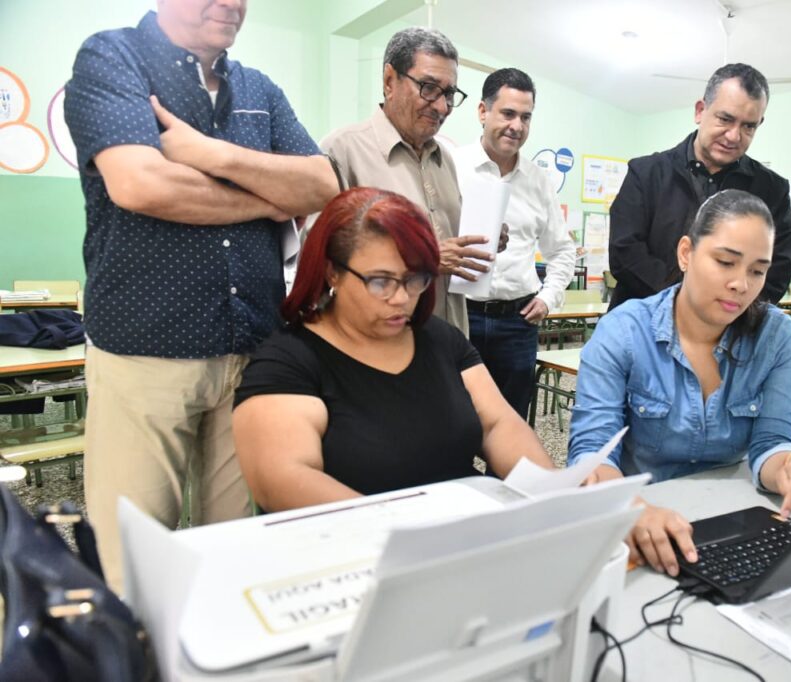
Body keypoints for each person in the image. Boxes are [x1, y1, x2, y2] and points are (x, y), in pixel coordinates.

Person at [63, 0, 338, 590]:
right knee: (130, 561)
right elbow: (140, 183)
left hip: (250, 354)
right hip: (145, 349)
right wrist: (270, 195)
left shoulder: (259, 90)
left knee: (233, 556)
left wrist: (209, 155)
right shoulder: (114, 58)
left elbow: (322, 183)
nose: (231, 3)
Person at [568, 189, 791, 577]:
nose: (740, 285)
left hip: (728, 518)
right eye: (725, 262)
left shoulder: (778, 338)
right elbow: (591, 454)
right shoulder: (625, 331)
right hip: (640, 521)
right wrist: (631, 509)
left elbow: (772, 443)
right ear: (686, 253)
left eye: (757, 270)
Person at [233, 188, 553, 511]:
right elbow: (282, 479)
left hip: (457, 533)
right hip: (358, 543)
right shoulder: (288, 361)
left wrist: (552, 490)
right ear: (333, 272)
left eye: (415, 279)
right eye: (380, 281)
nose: (401, 298)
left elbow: (497, 424)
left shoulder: (441, 340)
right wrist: (401, 531)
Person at [320, 27, 499, 336]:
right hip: (379, 347)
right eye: (428, 88)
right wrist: (424, 259)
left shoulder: (444, 159)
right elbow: (322, 259)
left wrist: (484, 236)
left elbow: (450, 251)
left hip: (449, 340)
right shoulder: (342, 150)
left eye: (449, 94)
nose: (442, 107)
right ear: (390, 81)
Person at [607, 63, 791, 309]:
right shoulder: (646, 173)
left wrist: (727, 312)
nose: (733, 136)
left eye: (748, 126)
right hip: (643, 324)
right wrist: (688, 303)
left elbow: (777, 269)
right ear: (700, 111)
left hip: (729, 334)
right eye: (725, 119)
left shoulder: (773, 190)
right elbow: (625, 254)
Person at [453, 68, 576, 418]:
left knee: (511, 423)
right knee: (454, 420)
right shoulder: (451, 166)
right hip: (461, 317)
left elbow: (562, 249)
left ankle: (503, 478)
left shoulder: (539, 181)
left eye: (525, 117)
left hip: (517, 324)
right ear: (482, 112)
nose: (516, 126)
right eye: (508, 113)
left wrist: (548, 298)